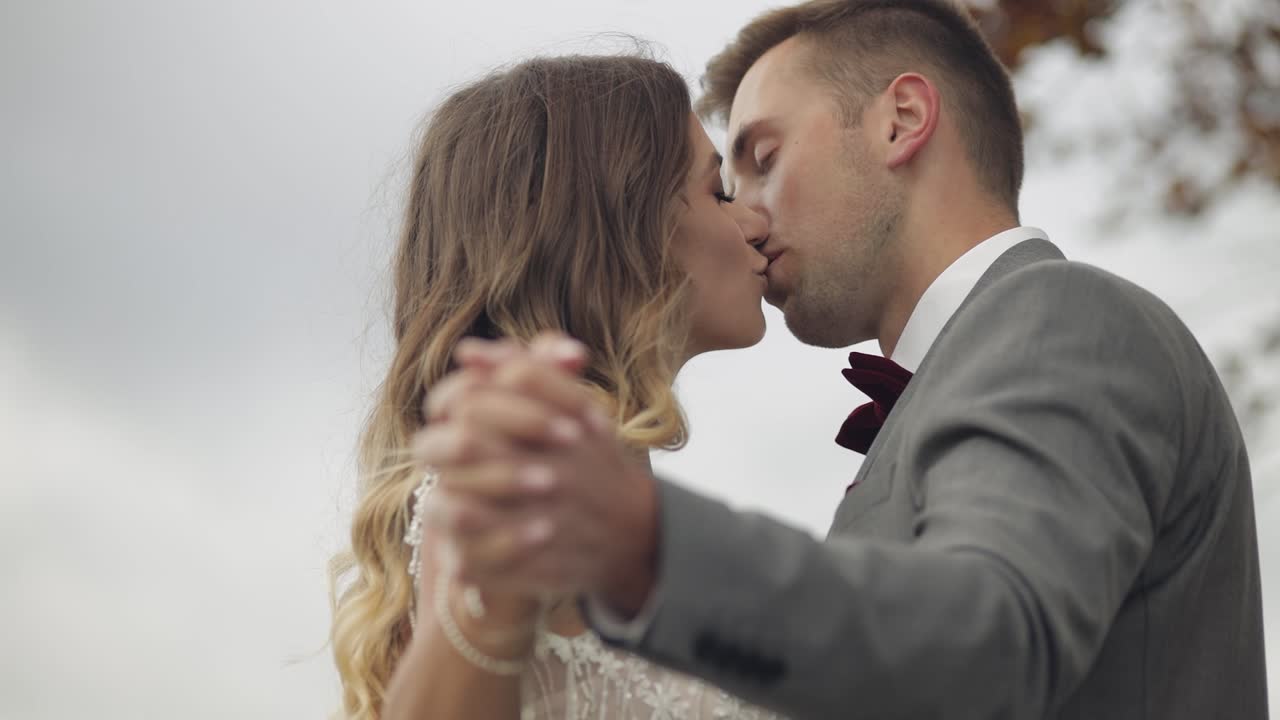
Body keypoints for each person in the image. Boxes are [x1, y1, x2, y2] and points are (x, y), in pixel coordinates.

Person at [415, 1, 1268, 718]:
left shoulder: (1063, 317)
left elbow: (995, 642)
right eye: (723, 185)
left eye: (762, 159)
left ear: (901, 121)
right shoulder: (943, 403)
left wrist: (647, 543)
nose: (747, 216)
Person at [328, 52, 792, 719]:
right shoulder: (514, 480)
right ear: (624, 227)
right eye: (717, 191)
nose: (754, 223)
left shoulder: (606, 486)